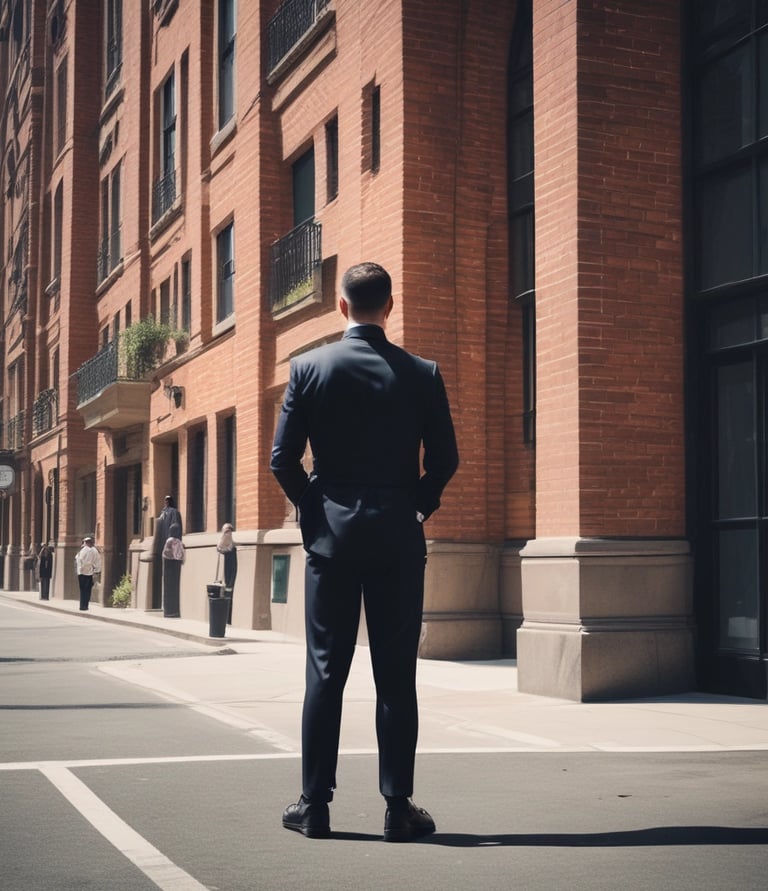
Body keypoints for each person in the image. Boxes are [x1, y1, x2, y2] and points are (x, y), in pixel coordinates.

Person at [271, 262, 459, 842]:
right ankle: (398, 808)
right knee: (396, 675)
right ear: (390, 306)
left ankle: (314, 806)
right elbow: (445, 460)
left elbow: (282, 460)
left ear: (343, 308)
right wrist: (418, 507)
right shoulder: (422, 373)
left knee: (326, 671)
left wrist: (314, 507)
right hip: (398, 536)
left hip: (331, 537)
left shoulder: (307, 368)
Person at [161, 522, 184, 617]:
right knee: (174, 589)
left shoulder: (169, 540)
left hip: (168, 566)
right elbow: (179, 556)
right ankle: (174, 611)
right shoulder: (177, 541)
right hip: (175, 566)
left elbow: (165, 554)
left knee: (167, 589)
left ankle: (168, 611)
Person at [216, 522, 237, 623]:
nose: (226, 534)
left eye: (227, 532)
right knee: (228, 590)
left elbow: (219, 547)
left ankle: (227, 617)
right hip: (229, 568)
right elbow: (220, 547)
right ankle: (227, 617)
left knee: (228, 590)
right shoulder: (229, 540)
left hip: (230, 568)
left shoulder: (228, 539)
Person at [75, 536, 101, 611]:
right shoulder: (94, 551)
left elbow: (79, 560)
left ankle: (82, 606)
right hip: (90, 573)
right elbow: (98, 561)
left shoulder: (83, 550)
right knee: (88, 590)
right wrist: (97, 570)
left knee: (83, 590)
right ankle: (85, 605)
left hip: (82, 573)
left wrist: (79, 570)